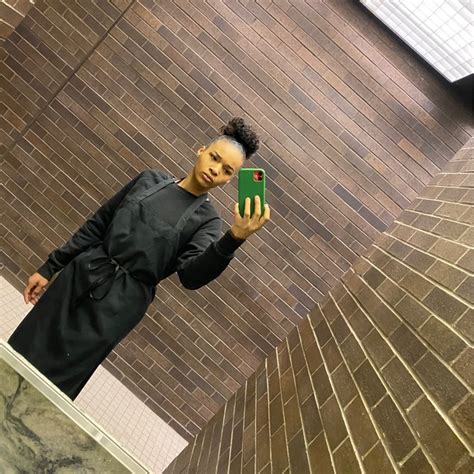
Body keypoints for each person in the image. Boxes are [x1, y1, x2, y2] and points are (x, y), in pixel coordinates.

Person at [8, 117, 270, 400]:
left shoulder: (208, 222)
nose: (215, 169)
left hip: (118, 307)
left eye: (226, 170)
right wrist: (50, 267)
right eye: (214, 158)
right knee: (25, 348)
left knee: (58, 380)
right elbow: (98, 224)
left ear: (229, 180)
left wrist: (234, 238)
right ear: (201, 150)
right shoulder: (148, 180)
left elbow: (191, 276)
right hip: (79, 275)